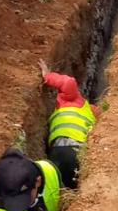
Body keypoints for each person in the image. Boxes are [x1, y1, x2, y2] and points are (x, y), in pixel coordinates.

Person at [39, 60, 99, 188]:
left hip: (60, 149)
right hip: (79, 152)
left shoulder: (74, 99)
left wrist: (48, 76)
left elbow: (68, 82)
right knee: (74, 188)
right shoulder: (91, 111)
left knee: (56, 187)